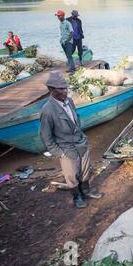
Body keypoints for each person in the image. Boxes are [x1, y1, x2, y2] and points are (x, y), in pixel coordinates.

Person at [40, 71, 102, 209]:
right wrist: (59, 152)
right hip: (66, 147)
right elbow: (45, 136)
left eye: (66, 87)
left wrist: (83, 138)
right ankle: (77, 196)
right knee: (71, 175)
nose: (65, 90)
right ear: (51, 89)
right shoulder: (47, 110)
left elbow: (76, 122)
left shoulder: (70, 102)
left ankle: (86, 191)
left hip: (80, 142)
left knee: (85, 170)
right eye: (61, 88)